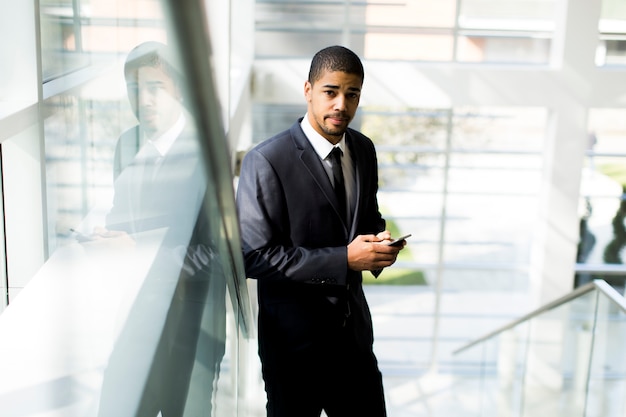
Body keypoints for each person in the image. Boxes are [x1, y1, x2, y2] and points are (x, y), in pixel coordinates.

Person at [236, 45, 406, 417]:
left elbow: (365, 218)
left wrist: (379, 244)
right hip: (293, 349)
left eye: (352, 94)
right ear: (308, 90)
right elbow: (253, 256)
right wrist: (345, 259)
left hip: (354, 343)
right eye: (331, 92)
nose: (341, 105)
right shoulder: (266, 160)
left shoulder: (363, 149)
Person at [95, 41, 226, 417]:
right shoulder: (126, 145)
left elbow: (218, 250)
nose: (144, 100)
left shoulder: (206, 154)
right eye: (135, 89)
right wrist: (109, 240)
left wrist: (139, 253)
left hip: (192, 324)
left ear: (179, 91)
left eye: (156, 88)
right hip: (136, 316)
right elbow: (122, 216)